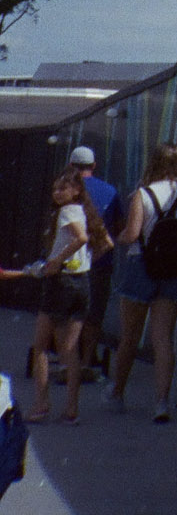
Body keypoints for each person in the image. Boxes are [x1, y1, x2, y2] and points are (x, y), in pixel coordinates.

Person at [0, 170, 105, 423]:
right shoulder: (85, 212)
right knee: (70, 349)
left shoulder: (68, 212)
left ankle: (41, 403)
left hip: (61, 286)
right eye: (55, 188)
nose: (57, 193)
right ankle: (71, 408)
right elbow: (103, 244)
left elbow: (81, 238)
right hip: (82, 283)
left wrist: (57, 261)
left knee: (41, 346)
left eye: (63, 189)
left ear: (76, 191)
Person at [108, 142, 177, 423]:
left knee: (130, 337)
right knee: (163, 339)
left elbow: (132, 234)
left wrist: (116, 238)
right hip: (172, 269)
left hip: (140, 266)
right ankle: (161, 402)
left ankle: (117, 393)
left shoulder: (142, 195)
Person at [66, 145, 123, 377]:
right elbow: (119, 227)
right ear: (94, 166)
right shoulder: (110, 191)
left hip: (70, 263)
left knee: (69, 312)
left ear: (71, 166)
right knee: (94, 313)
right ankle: (87, 362)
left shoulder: (66, 189)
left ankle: (67, 361)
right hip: (100, 262)